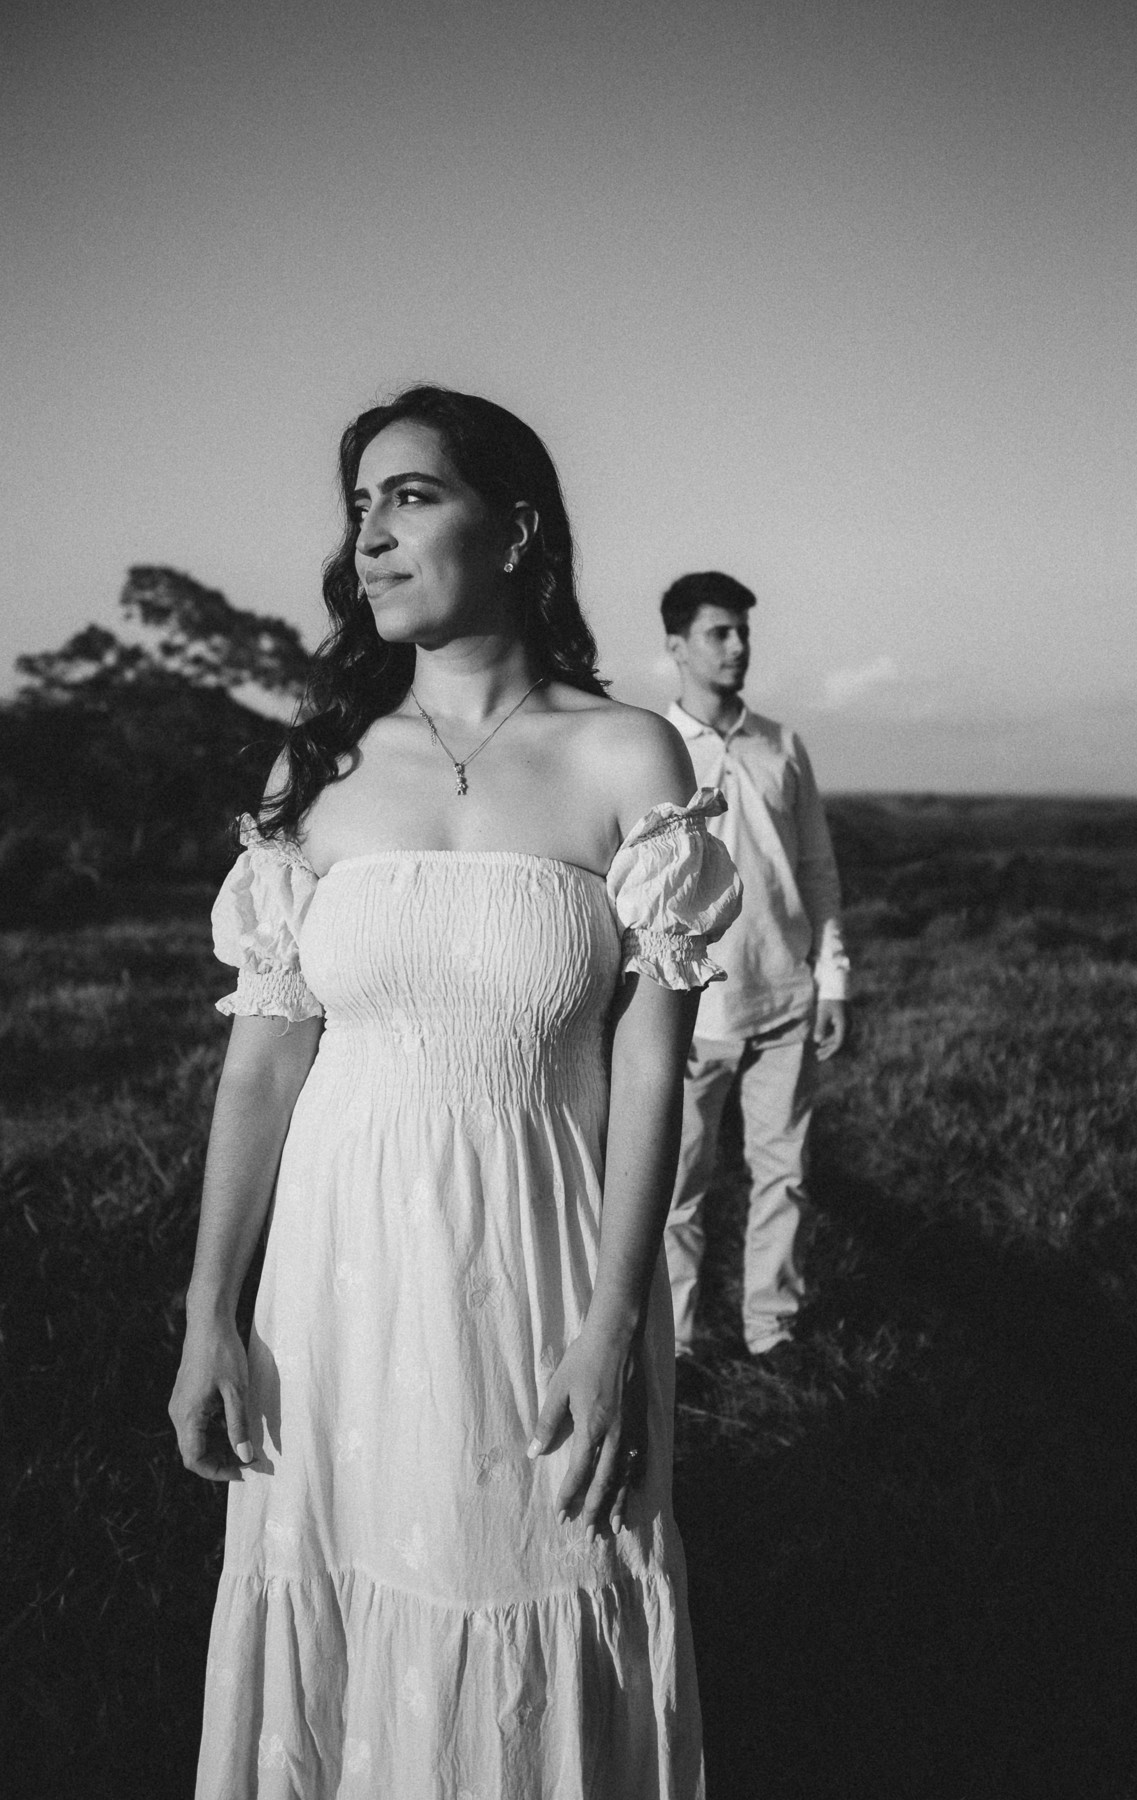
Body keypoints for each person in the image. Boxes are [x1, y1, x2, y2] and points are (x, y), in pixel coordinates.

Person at [168, 386, 741, 1798]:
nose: (369, 534)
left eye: (410, 496)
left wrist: (616, 1323)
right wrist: (209, 1315)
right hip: (333, 1291)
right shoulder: (318, 770)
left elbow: (652, 1060)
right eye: (360, 505)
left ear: (518, 528)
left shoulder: (628, 757)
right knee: (341, 1603)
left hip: (542, 1277)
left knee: (540, 1581)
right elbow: (266, 1059)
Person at [659, 571, 849, 1387]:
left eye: (743, 631)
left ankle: (773, 1331)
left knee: (786, 1174)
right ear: (676, 646)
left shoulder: (782, 743)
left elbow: (818, 869)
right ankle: (674, 1344)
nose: (738, 647)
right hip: (689, 1012)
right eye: (719, 632)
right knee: (675, 1187)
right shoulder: (654, 748)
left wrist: (832, 980)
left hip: (785, 996)